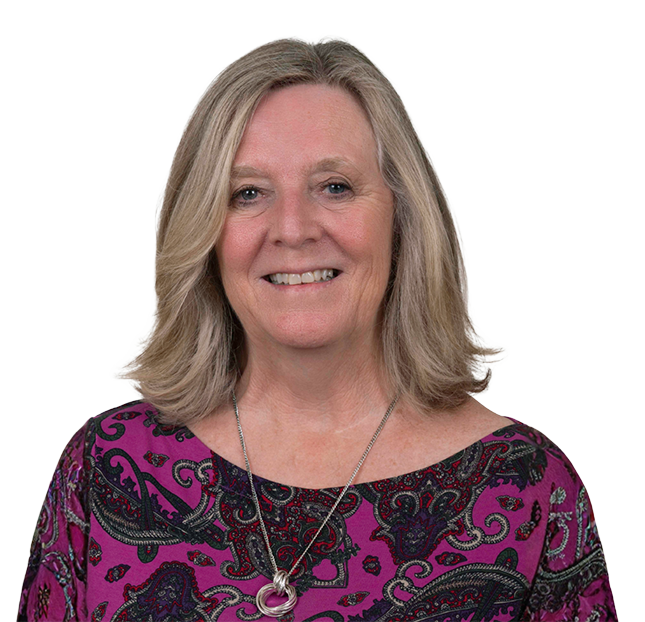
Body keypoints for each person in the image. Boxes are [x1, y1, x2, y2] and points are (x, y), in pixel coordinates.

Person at [18, 37, 617, 621]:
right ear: (203, 231)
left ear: (403, 216)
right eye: (247, 193)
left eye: (335, 187)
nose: (294, 228)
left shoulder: (528, 491)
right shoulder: (108, 469)